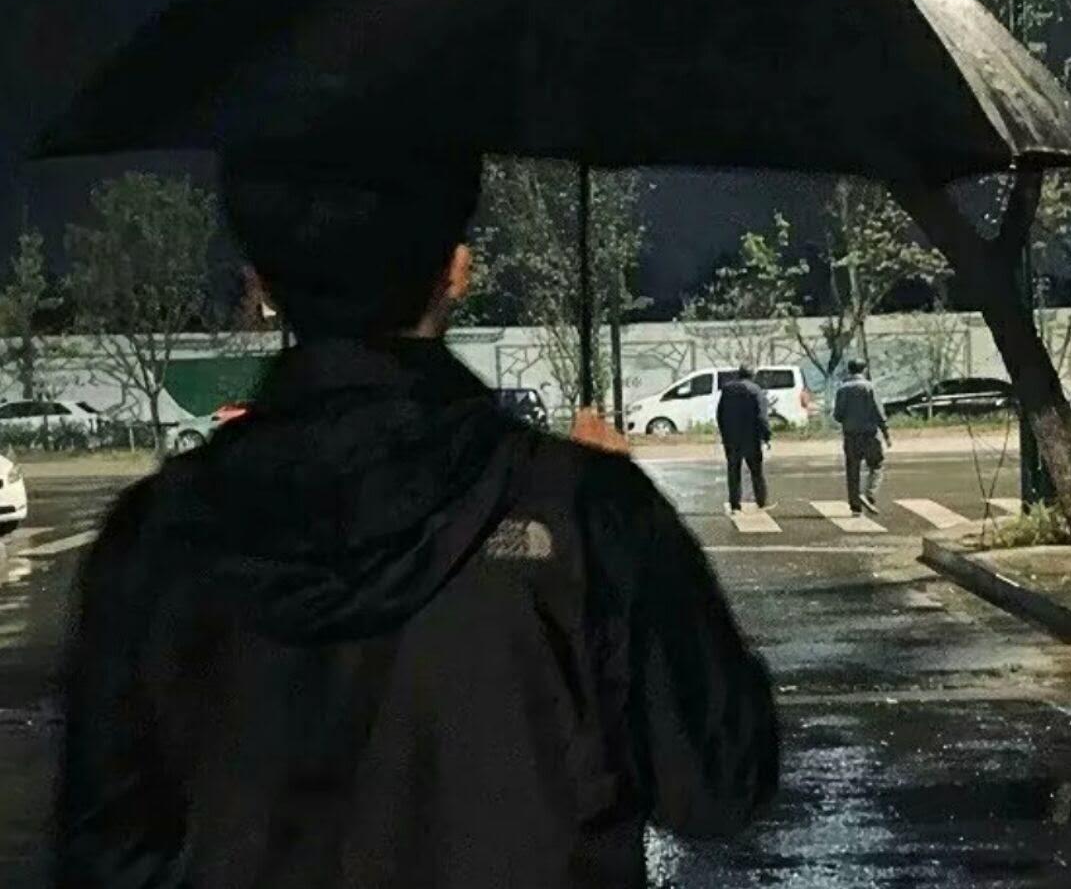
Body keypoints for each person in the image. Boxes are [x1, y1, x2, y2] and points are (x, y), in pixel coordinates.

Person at [54, 141, 778, 889]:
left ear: (260, 283)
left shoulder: (155, 535)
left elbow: (104, 853)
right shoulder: (579, 513)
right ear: (457, 271)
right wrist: (631, 534)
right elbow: (720, 782)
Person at [833, 358, 891, 516]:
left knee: (852, 471)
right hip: (870, 435)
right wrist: (886, 433)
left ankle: (855, 506)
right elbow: (878, 412)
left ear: (849, 370)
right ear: (864, 370)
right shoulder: (869, 387)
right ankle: (869, 494)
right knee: (876, 465)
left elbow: (837, 415)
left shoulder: (842, 389)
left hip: (851, 436)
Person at [716, 364, 773, 513]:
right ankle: (761, 501)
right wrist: (766, 435)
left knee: (733, 470)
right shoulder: (755, 390)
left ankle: (735, 503)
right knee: (756, 471)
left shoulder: (728, 390)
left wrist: (724, 433)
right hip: (751, 437)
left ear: (739, 374)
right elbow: (761, 415)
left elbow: (719, 414)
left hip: (731, 438)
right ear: (752, 375)